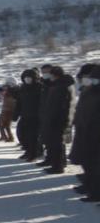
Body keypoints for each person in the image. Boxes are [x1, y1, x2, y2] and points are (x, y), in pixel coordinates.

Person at [69, 64, 99, 201]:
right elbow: (81, 110)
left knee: (94, 165)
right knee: (87, 163)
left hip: (94, 134)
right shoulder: (87, 92)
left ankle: (94, 192)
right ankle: (89, 187)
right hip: (85, 132)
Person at [39, 66, 74, 174]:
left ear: (55, 75)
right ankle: (57, 163)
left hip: (58, 119)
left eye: (50, 74)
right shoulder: (59, 85)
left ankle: (57, 166)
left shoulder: (62, 87)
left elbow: (61, 106)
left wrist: (56, 119)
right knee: (55, 143)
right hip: (56, 118)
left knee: (57, 144)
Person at [15, 68, 42, 161]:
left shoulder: (39, 87)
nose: (28, 79)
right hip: (24, 115)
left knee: (33, 137)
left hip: (36, 116)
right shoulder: (22, 88)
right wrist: (16, 114)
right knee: (21, 134)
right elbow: (19, 102)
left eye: (30, 77)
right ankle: (28, 151)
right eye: (26, 77)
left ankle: (34, 153)